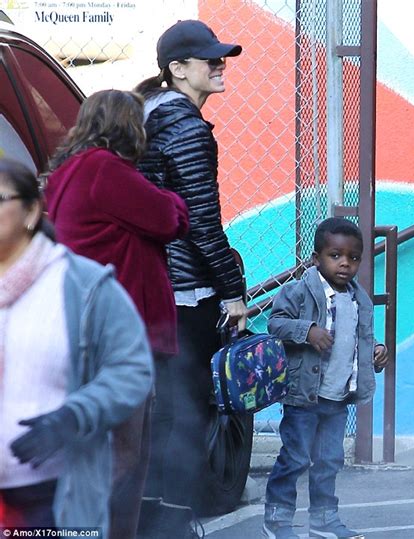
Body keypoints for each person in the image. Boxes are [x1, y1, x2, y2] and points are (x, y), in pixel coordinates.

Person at [44, 89, 189, 539]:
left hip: (87, 330)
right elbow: (170, 217)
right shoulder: (106, 170)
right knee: (122, 455)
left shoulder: (69, 171)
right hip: (120, 335)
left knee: (106, 450)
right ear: (128, 126)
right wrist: (173, 197)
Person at [134, 19, 247, 538]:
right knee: (187, 412)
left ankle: (150, 515)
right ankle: (174, 522)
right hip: (186, 293)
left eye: (220, 57)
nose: (219, 65)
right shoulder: (186, 128)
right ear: (178, 70)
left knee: (157, 412)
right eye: (209, 59)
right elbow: (202, 222)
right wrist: (232, 290)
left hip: (151, 289)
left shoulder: (150, 116)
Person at [0, 158, 153, 538]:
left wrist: (74, 416)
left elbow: (132, 369)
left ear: (32, 210)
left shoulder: (83, 287)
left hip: (52, 499)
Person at [263, 217, 389, 539]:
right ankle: (276, 520)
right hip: (303, 397)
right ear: (316, 258)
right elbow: (275, 323)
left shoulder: (358, 298)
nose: (345, 264)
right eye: (335, 256)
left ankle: (323, 521)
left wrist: (376, 350)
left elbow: (357, 338)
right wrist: (307, 331)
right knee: (295, 458)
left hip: (336, 398)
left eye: (354, 257)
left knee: (329, 460)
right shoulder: (300, 292)